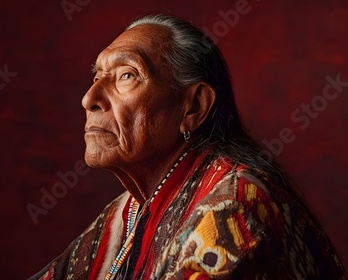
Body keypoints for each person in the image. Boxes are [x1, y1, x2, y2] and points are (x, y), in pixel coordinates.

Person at [30, 15, 345, 279]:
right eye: (96, 76)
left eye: (127, 75)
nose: (89, 99)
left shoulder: (234, 206)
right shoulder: (128, 211)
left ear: (193, 106)